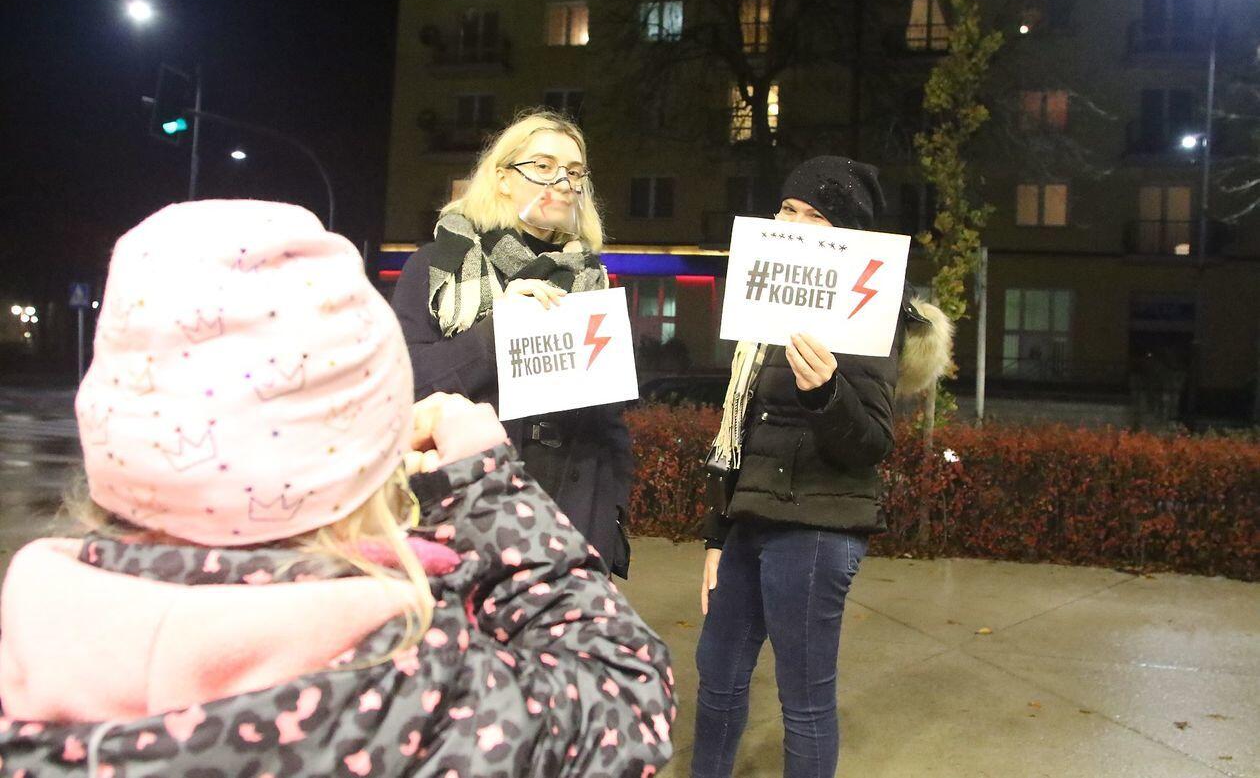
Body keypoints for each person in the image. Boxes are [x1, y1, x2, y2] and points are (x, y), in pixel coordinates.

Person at [0, 200, 675, 776]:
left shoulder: (26, 661)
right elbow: (626, 694)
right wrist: (489, 486)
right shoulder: (408, 694)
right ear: (375, 460)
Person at [691, 157, 953, 778]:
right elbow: (741, 433)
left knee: (803, 699)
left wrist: (827, 392)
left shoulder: (867, 313)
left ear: (846, 236)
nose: (795, 223)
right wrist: (717, 536)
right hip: (751, 519)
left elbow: (872, 442)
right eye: (789, 209)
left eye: (817, 216)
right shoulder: (765, 315)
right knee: (718, 673)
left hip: (818, 529)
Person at [392, 110, 634, 578]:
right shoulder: (438, 266)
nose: (562, 182)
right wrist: (495, 332)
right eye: (543, 166)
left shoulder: (592, 278)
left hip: (573, 522)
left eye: (575, 172)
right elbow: (406, 386)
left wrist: (610, 519)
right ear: (502, 178)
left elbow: (610, 423)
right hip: (465, 519)